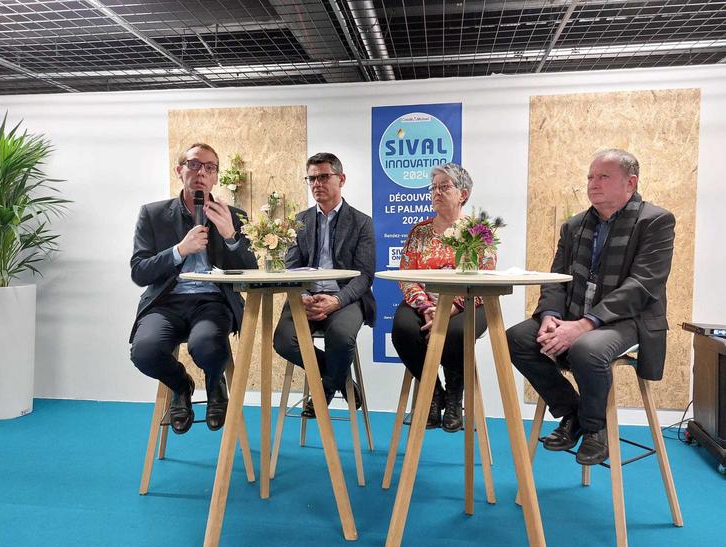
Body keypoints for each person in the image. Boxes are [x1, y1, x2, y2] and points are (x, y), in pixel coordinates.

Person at [507, 148, 675, 465]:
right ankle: (573, 413)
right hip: (573, 313)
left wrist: (584, 325)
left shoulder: (656, 221)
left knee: (587, 349)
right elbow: (556, 278)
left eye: (603, 176)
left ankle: (595, 430)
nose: (593, 183)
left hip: (628, 320)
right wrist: (551, 316)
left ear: (631, 182)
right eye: (590, 177)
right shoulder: (574, 226)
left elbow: (643, 285)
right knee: (517, 337)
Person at [129, 143, 257, 434]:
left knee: (207, 346)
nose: (201, 172)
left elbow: (250, 272)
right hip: (166, 303)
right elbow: (139, 271)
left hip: (212, 300)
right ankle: (181, 385)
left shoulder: (233, 215)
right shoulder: (153, 214)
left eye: (210, 168)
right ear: (180, 170)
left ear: (215, 177)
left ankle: (215, 384)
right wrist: (178, 250)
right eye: (194, 164)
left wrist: (231, 236)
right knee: (144, 352)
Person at [391, 163, 494, 432]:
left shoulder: (479, 231)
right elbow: (406, 274)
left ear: (463, 193)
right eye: (433, 187)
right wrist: (426, 307)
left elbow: (485, 277)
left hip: (469, 302)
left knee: (456, 332)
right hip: (425, 302)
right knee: (402, 329)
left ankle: (454, 397)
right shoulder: (419, 232)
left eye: (444, 186)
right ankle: (432, 393)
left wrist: (451, 308)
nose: (437, 192)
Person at [273, 152, 375, 418]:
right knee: (283, 342)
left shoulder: (362, 222)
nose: (317, 183)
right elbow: (291, 267)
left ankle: (325, 390)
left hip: (346, 297)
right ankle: (339, 379)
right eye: (312, 178)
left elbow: (364, 276)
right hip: (306, 296)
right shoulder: (299, 221)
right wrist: (303, 294)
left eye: (323, 177)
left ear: (341, 179)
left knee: (340, 339)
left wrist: (337, 301)